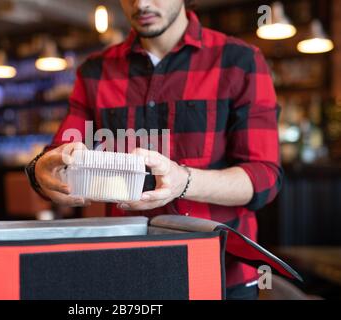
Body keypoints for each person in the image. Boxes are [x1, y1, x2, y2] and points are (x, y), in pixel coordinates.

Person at [25, 0, 282, 300]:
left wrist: (182, 181)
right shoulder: (95, 71)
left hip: (219, 269)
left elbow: (264, 177)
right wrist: (42, 169)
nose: (141, 3)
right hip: (126, 268)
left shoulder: (240, 60)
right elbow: (60, 154)